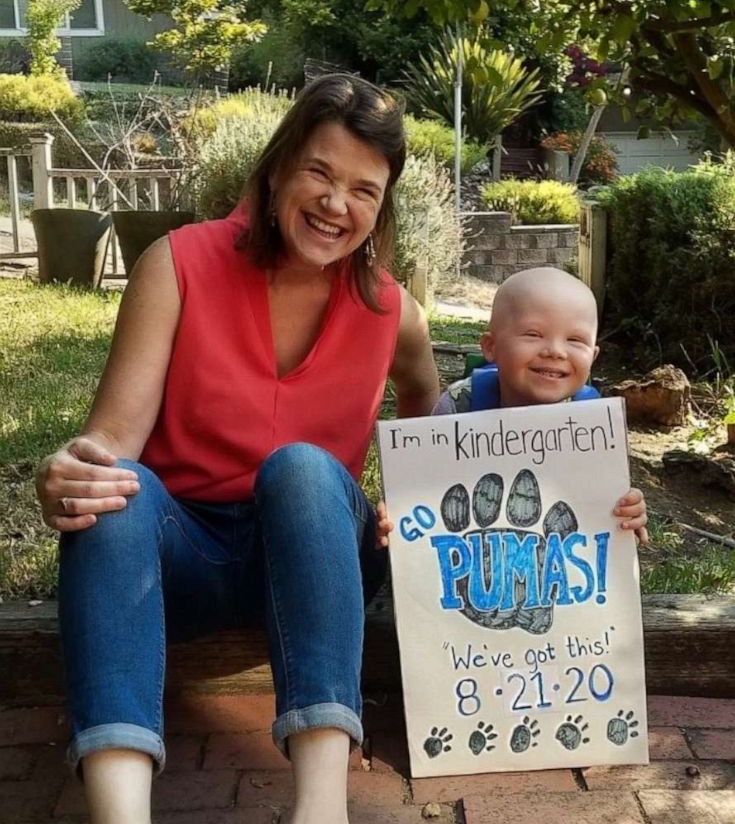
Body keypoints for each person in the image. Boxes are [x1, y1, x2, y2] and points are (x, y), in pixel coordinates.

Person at [35, 74, 440, 824]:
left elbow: (427, 403)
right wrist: (67, 473)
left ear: (382, 207)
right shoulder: (178, 263)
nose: (335, 204)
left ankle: (320, 810)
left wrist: (412, 494)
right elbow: (110, 443)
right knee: (114, 490)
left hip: (316, 559)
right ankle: (119, 813)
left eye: (364, 190)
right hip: (186, 559)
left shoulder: (391, 308)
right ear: (277, 169)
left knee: (301, 469)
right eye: (319, 172)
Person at [432, 266, 649, 544]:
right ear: (490, 347)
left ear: (593, 357)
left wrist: (631, 513)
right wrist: (399, 515)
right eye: (534, 334)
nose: (555, 351)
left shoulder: (595, 424)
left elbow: (608, 503)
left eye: (575, 340)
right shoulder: (458, 405)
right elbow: (422, 489)